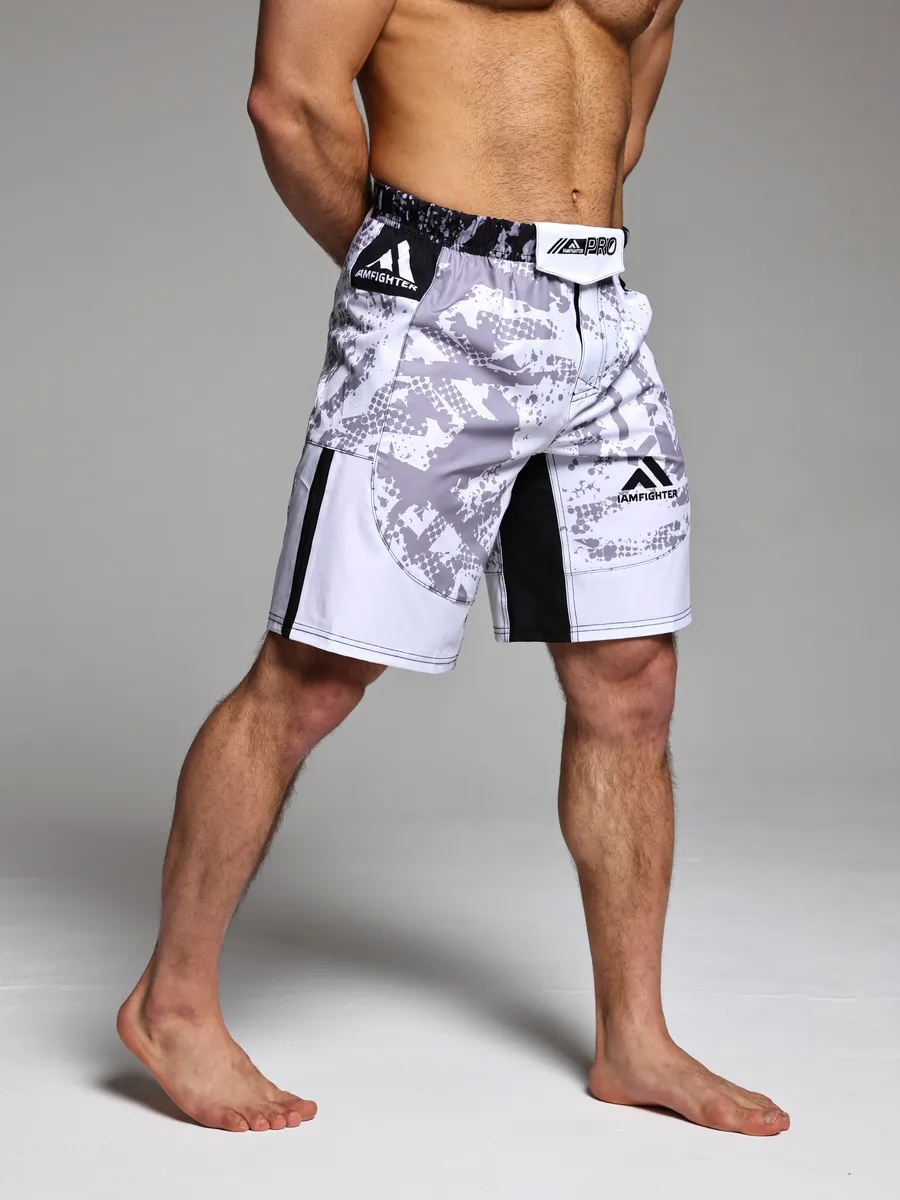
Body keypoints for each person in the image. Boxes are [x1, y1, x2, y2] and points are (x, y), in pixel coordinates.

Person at [117, 0, 791, 1137]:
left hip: (598, 314)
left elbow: (625, 91)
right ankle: (171, 1006)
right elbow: (290, 100)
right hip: (436, 306)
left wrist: (557, 244)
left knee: (632, 679)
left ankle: (634, 1040)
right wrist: (416, 271)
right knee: (314, 674)